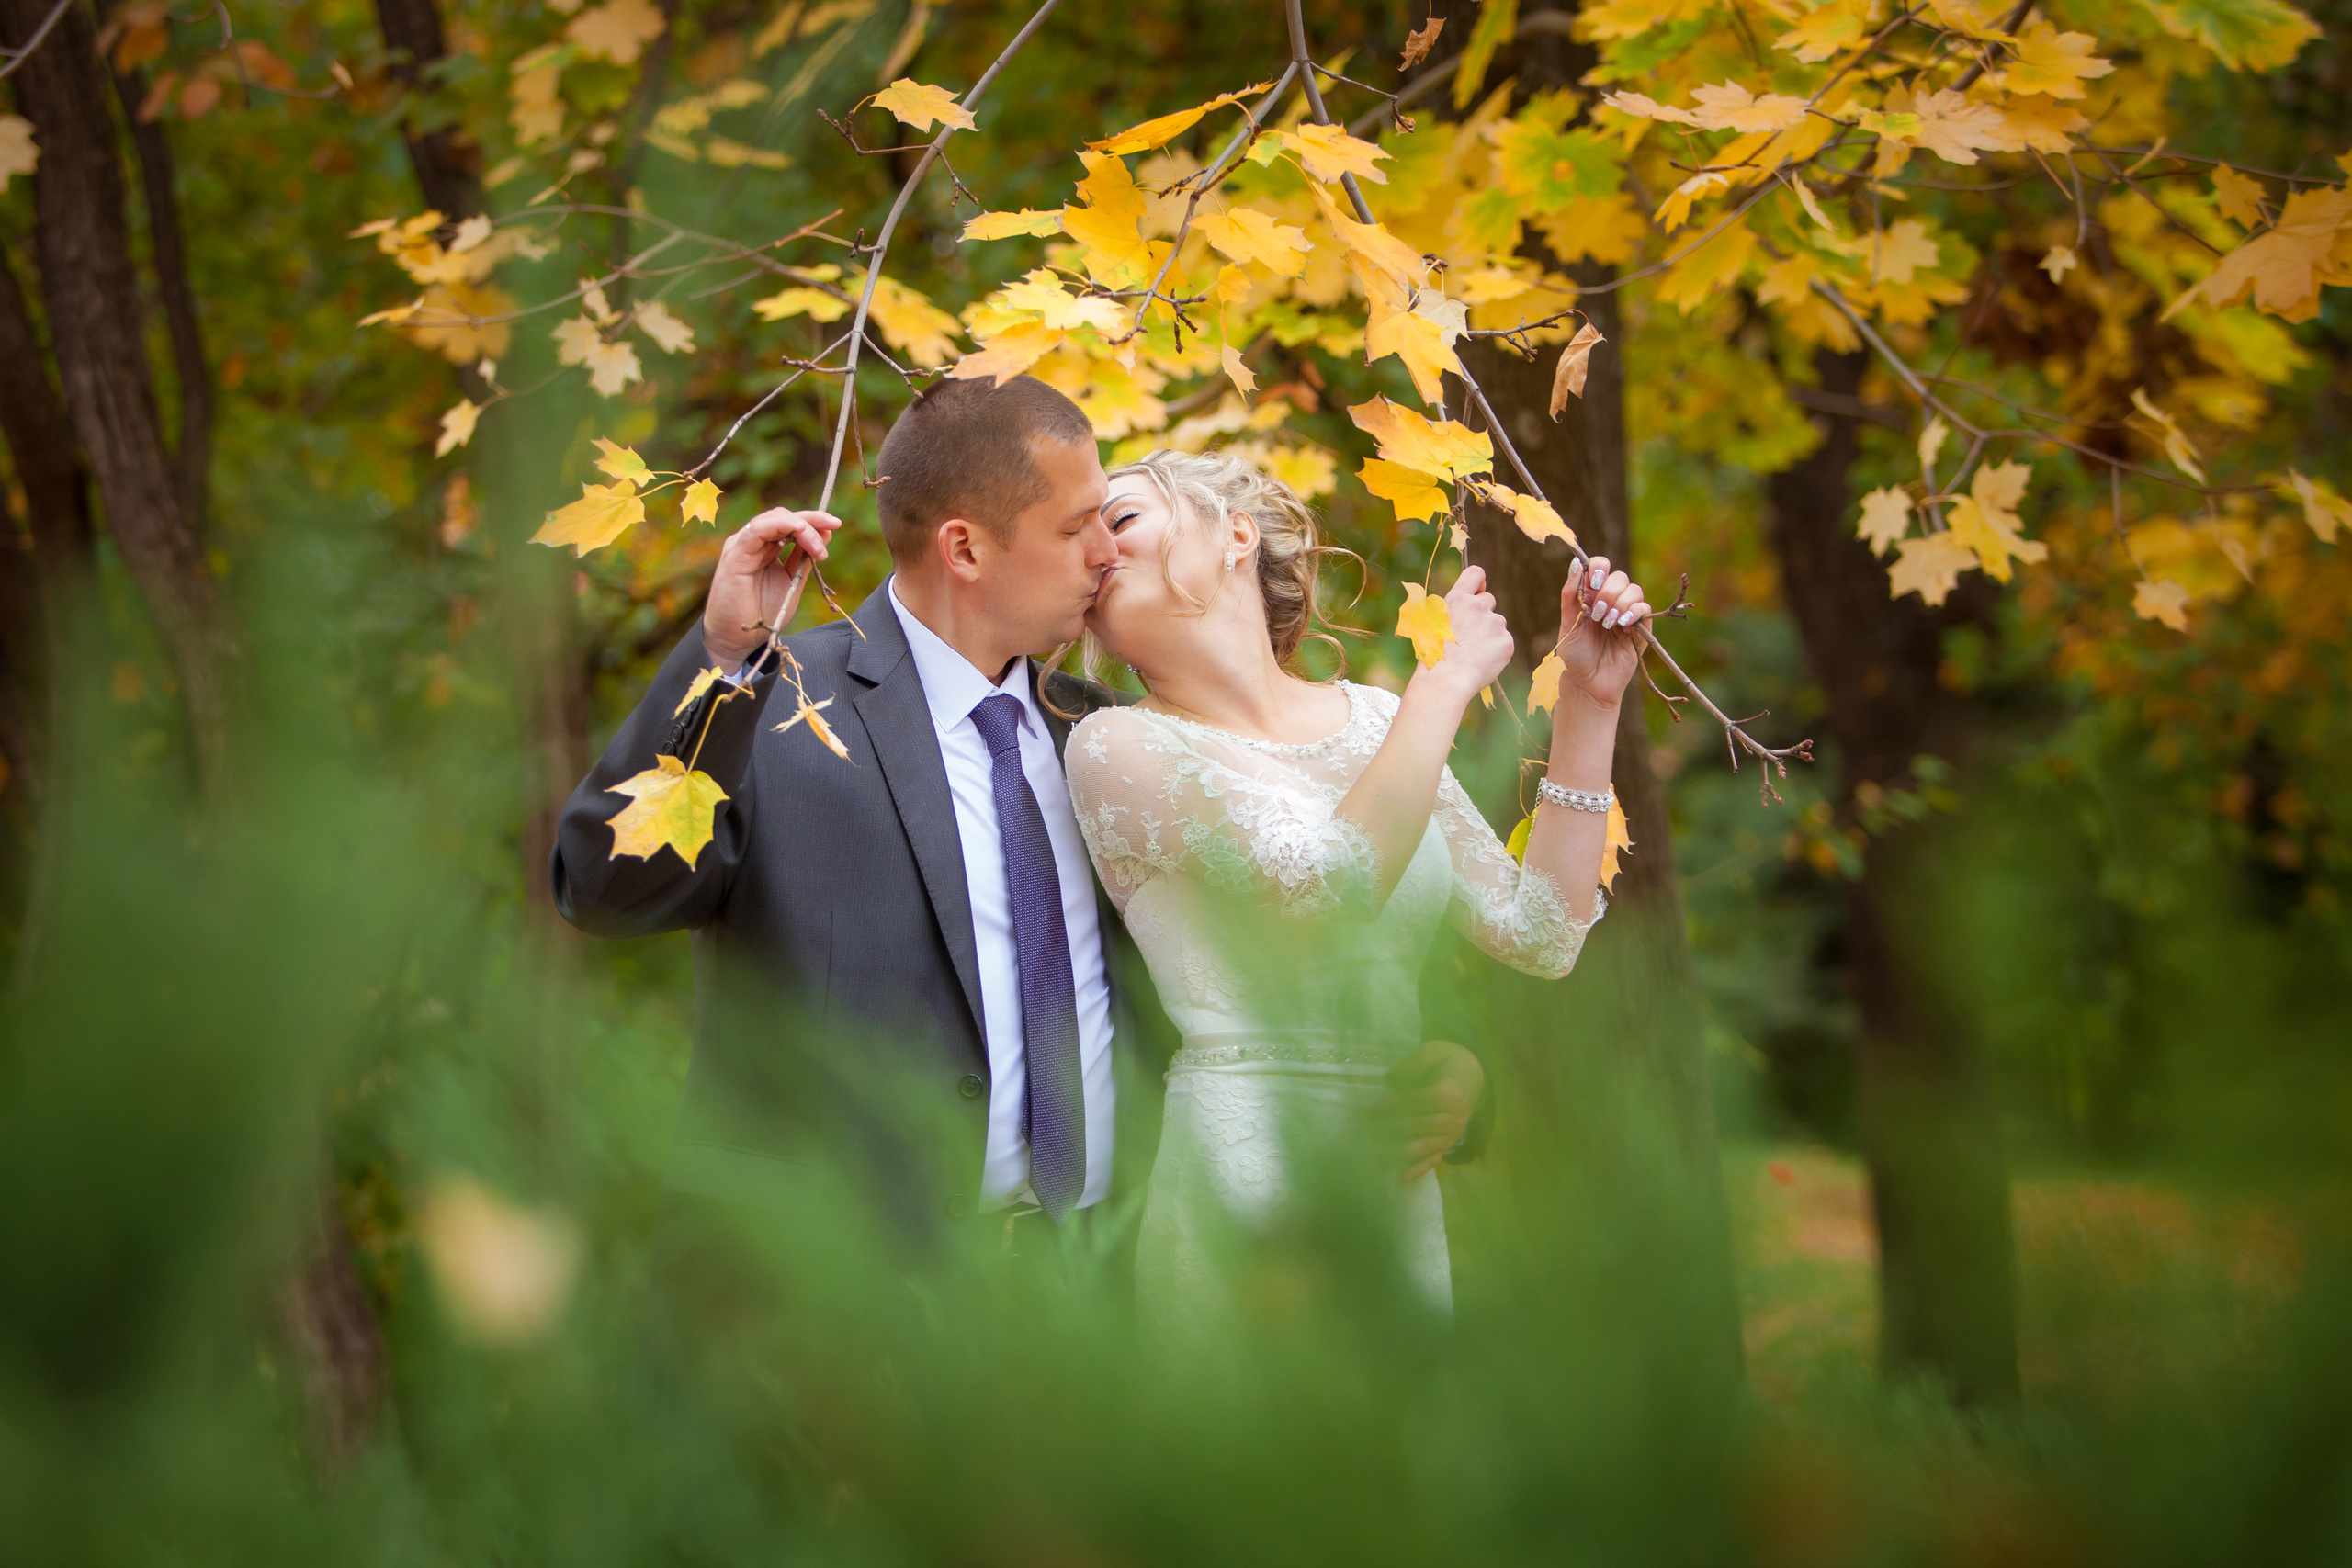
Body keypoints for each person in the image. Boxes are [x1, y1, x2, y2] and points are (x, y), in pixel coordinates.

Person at [549, 376, 1490, 1246]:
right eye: (1078, 524)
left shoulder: (1121, 742)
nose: (1108, 551)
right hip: (840, 1298)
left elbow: (1292, 940)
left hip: (1117, 1284)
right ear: (965, 547)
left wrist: (1459, 1072)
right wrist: (721, 663)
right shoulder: (782, 707)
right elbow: (602, 891)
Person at [1068, 448, 1650, 1316]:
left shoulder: (1380, 723)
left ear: (1231, 535)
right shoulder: (1116, 747)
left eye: (1119, 519)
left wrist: (1590, 704)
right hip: (1244, 1167)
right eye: (1078, 541)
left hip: (1397, 1182)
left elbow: (1543, 934)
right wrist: (1445, 682)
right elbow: (1330, 888)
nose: (1097, 551)